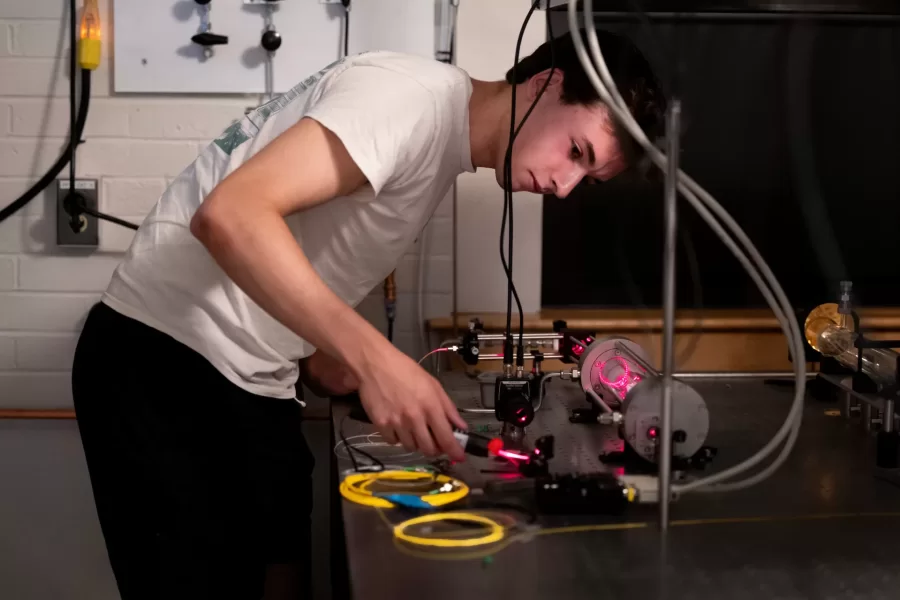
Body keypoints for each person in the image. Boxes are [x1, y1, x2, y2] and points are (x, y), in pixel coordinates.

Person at [71, 28, 665, 600]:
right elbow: (230, 214)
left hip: (251, 381)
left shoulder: (436, 139)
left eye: (588, 177)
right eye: (577, 151)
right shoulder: (407, 101)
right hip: (163, 367)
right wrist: (375, 359)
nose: (565, 187)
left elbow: (291, 253)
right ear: (545, 83)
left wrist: (322, 358)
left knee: (283, 570)